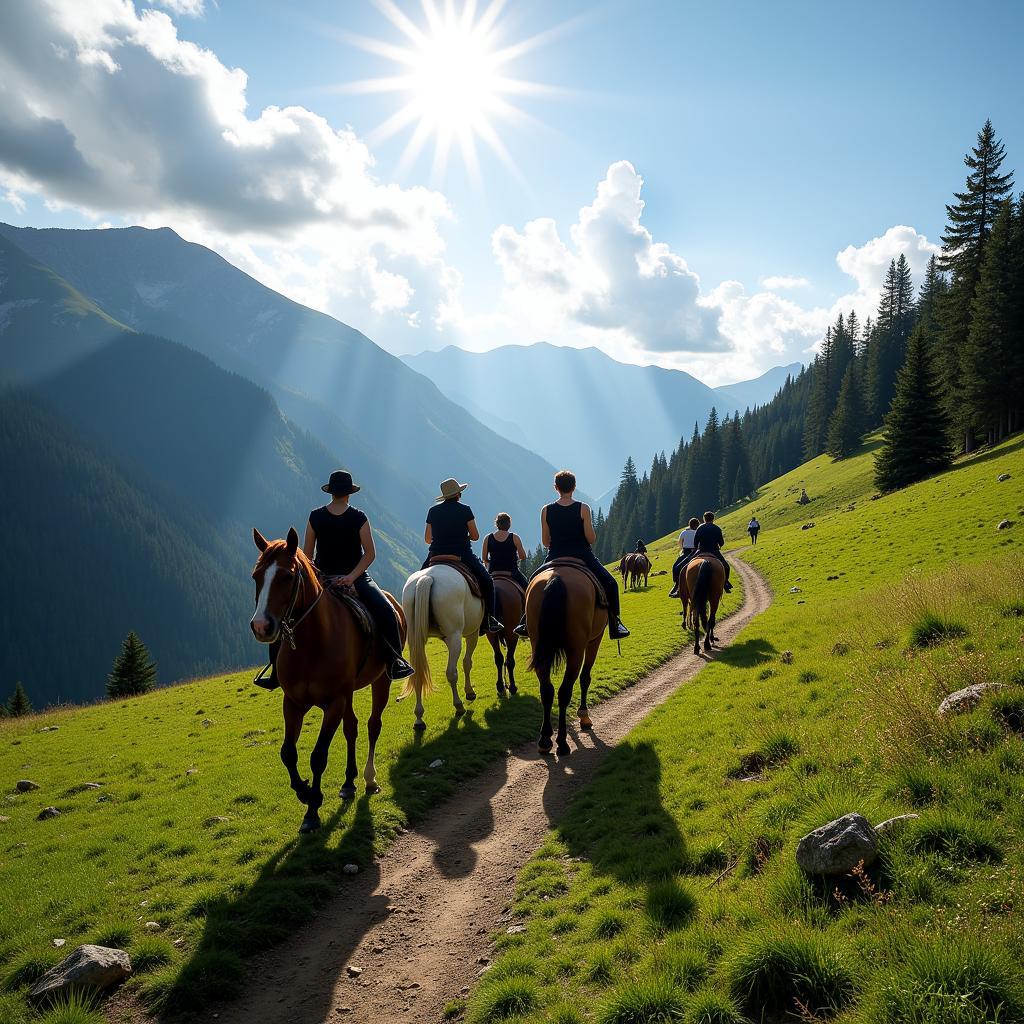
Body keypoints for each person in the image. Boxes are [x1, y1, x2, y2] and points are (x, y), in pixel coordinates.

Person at [256, 469, 414, 689]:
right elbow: (370, 554)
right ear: (349, 493)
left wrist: (320, 578)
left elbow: (307, 556)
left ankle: (275, 671)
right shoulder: (359, 517)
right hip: (356, 579)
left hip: (322, 579)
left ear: (330, 492)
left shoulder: (315, 516)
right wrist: (350, 577)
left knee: (286, 619)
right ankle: (395, 661)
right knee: (386, 610)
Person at [514, 470, 630, 641]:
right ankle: (615, 624)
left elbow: (546, 542)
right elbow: (590, 538)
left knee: (532, 582)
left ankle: (525, 620)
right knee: (611, 584)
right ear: (574, 487)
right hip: (582, 555)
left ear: (556, 488)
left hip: (554, 556)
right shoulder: (583, 508)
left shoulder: (546, 510)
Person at [423, 478, 503, 634]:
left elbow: (427, 539)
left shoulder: (432, 511)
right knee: (487, 582)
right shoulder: (465, 510)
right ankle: (490, 619)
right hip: (462, 555)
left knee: (417, 581)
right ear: (458, 494)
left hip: (435, 555)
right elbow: (475, 536)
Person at [675, 511, 733, 592]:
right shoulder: (717, 528)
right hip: (714, 551)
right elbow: (721, 543)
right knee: (726, 567)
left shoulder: (700, 528)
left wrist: (697, 548)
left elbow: (695, 542)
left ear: (704, 519)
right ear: (713, 519)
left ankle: (679, 587)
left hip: (701, 551)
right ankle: (725, 583)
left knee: (683, 566)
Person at [483, 513, 529, 589]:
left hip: (493, 572)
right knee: (527, 589)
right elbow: (523, 557)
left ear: (497, 524)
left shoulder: (488, 538)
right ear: (509, 524)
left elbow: (484, 558)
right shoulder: (514, 537)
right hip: (512, 572)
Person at [668, 517, 701, 598]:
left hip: (686, 552)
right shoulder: (698, 532)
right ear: (698, 525)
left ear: (689, 524)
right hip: (697, 552)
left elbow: (680, 544)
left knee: (676, 567)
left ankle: (677, 584)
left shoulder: (684, 533)